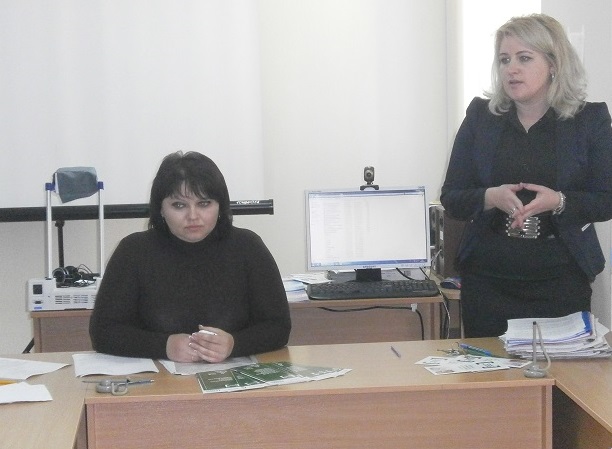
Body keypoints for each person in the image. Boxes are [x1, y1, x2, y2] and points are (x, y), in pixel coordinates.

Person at [440, 14, 612, 337]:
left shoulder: (589, 120)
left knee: (560, 369)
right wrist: (490, 197)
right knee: (491, 368)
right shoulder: (480, 117)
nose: (511, 69)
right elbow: (452, 197)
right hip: (488, 280)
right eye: (504, 60)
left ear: (553, 64)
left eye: (524, 58)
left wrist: (559, 201)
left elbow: (606, 199)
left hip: (561, 279)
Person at [90, 151, 291, 362]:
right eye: (179, 205)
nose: (193, 216)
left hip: (233, 376)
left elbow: (278, 326)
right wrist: (164, 346)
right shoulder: (133, 251)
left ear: (220, 206)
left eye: (204, 204)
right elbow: (103, 332)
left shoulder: (248, 247)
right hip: (159, 377)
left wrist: (234, 344)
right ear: (161, 209)